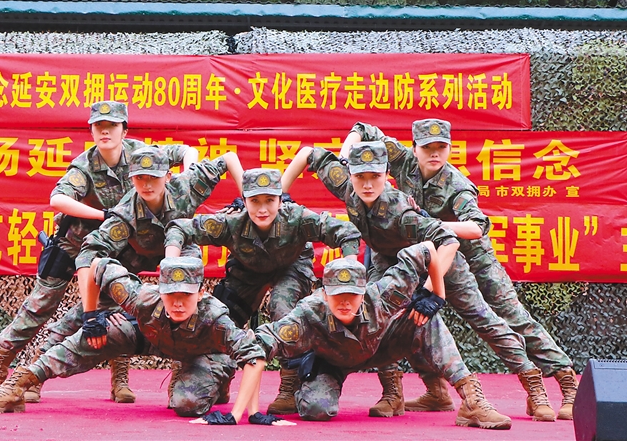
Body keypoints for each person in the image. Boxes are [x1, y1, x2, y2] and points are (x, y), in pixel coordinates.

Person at [283, 140, 552, 422]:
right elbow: (309, 154)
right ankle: (396, 393)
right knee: (376, 316)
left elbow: (448, 241)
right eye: (360, 176)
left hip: (439, 260)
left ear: (386, 174)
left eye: (375, 176)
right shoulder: (347, 186)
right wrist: (281, 197)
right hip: (391, 259)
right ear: (350, 175)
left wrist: (431, 291)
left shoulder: (401, 213)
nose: (367, 184)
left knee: (483, 319)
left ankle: (534, 390)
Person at [345, 118, 577, 420]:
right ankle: (427, 392)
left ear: (450, 149)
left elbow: (478, 226)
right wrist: (346, 154)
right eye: (427, 147)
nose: (434, 153)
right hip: (419, 253)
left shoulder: (457, 185)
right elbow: (364, 129)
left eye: (441, 147)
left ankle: (566, 384)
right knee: (404, 314)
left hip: (469, 256)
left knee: (507, 316)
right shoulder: (400, 161)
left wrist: (426, 225)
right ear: (414, 148)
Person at [0, 100, 196, 404]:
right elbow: (58, 199)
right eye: (98, 127)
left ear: (124, 130)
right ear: (91, 131)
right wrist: (103, 214)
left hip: (115, 249)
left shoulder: (140, 154)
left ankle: (119, 379)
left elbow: (185, 152)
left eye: (112, 126)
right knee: (38, 306)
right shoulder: (85, 165)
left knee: (116, 305)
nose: (105, 132)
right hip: (74, 244)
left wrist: (187, 173)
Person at [30, 143, 242, 403]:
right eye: (140, 178)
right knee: (83, 314)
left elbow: (229, 158)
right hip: (135, 255)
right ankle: (32, 375)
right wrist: (90, 314)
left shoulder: (188, 185)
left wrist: (246, 198)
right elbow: (88, 254)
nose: (147, 184)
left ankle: (186, 369)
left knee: (187, 303)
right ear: (131, 179)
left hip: (181, 252)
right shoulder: (125, 212)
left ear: (168, 176)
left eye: (153, 177)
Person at [0, 257, 293, 426]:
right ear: (160, 291)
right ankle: (19, 383)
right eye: (171, 294)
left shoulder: (215, 318)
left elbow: (254, 356)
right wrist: (92, 316)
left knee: (187, 405)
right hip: (152, 337)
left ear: (200, 294)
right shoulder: (143, 299)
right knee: (101, 332)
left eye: (186, 296)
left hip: (201, 352)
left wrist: (237, 415)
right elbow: (98, 265)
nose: (177, 303)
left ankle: (218, 380)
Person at [163, 168, 363, 416]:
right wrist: (171, 264)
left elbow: (346, 232)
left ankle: (289, 386)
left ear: (280, 200)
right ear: (244, 201)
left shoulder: (298, 218)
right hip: (247, 270)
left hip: (292, 267)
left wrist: (350, 271)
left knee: (283, 307)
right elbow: (179, 228)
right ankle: (218, 377)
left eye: (269, 200)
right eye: (255, 201)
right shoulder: (231, 222)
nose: (262, 208)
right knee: (223, 317)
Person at [255, 252, 512, 429]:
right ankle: (301, 391)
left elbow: (426, 250)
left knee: (424, 316)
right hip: (332, 362)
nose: (345, 303)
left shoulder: (381, 295)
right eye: (337, 295)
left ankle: (472, 400)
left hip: (381, 347)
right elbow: (265, 340)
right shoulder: (308, 311)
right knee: (316, 410)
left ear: (363, 292)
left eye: (352, 295)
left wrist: (437, 294)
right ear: (324, 294)